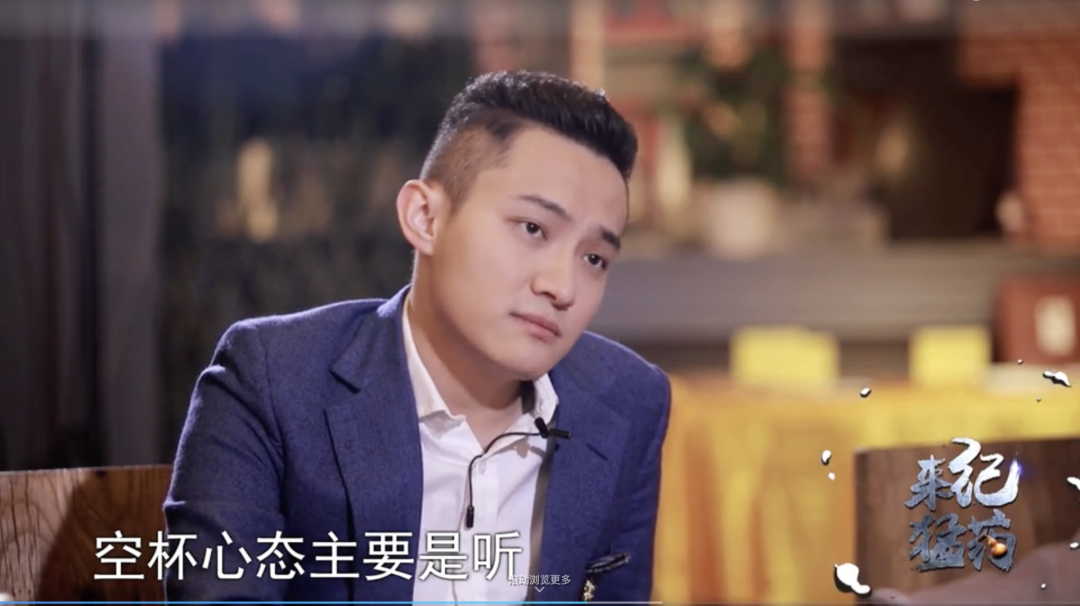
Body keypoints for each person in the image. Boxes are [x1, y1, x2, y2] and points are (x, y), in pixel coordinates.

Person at [164, 70, 672, 603]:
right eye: (532, 228)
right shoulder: (274, 380)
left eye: (594, 258)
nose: (562, 287)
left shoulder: (629, 402)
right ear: (425, 217)